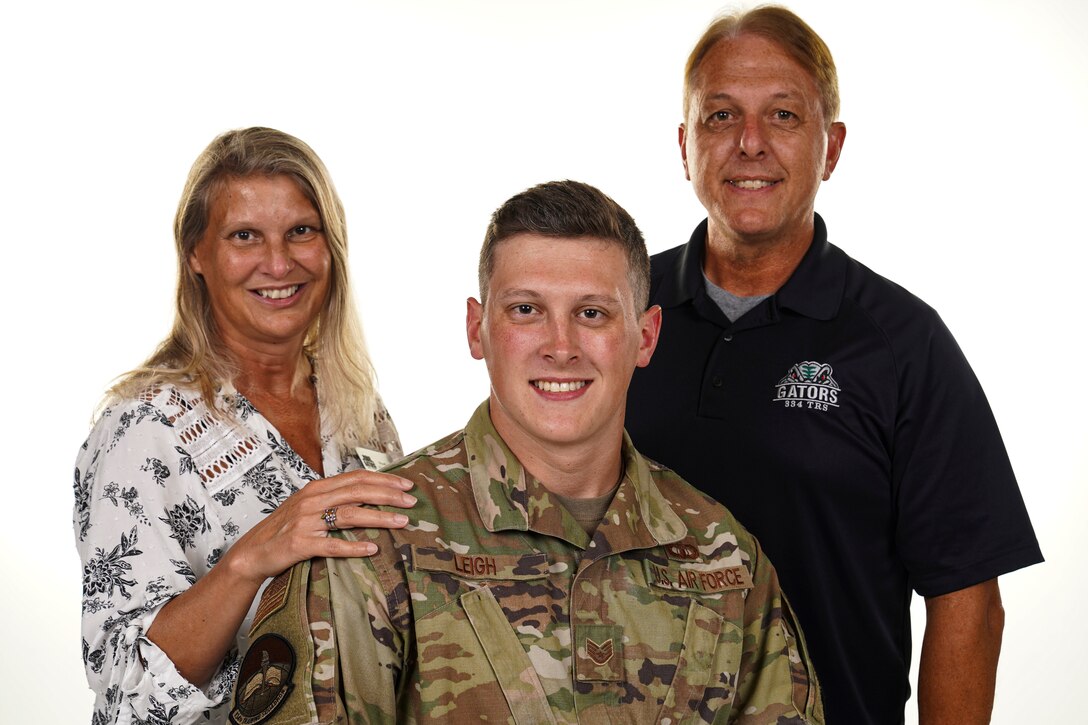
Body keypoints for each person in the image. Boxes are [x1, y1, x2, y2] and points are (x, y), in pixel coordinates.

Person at [232, 180, 824, 724]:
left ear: (645, 337)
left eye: (591, 313)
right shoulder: (375, 540)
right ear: (477, 328)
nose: (560, 347)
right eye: (526, 311)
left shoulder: (723, 556)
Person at [625, 7, 1043, 724]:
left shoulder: (902, 343)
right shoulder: (615, 310)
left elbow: (967, 597)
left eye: (783, 115)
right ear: (685, 146)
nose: (749, 144)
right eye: (721, 117)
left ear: (832, 147)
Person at [73, 127, 415, 725]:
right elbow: (126, 694)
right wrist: (250, 557)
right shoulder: (143, 428)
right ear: (196, 256)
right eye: (244, 236)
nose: (279, 263)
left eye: (301, 232)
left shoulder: (356, 408)